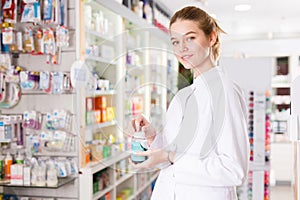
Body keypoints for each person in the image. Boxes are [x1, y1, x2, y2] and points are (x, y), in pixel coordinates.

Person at [129, 6, 249, 200]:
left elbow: (234, 170)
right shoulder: (182, 97)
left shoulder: (224, 91)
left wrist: (170, 157)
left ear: (212, 38)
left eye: (190, 38)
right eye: (175, 41)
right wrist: (152, 137)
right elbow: (170, 157)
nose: (182, 48)